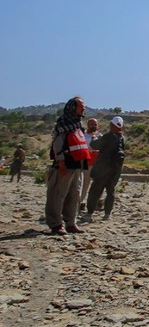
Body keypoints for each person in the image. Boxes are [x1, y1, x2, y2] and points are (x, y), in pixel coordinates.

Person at [45, 96, 91, 235]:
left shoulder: (78, 124)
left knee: (74, 195)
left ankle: (71, 222)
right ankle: (56, 224)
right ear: (72, 108)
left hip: (77, 165)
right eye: (80, 106)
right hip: (64, 164)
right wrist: (61, 162)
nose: (83, 108)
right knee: (58, 195)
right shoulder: (63, 124)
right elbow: (58, 143)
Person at [80, 117, 125, 222]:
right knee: (111, 191)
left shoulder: (107, 137)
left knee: (95, 190)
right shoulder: (122, 138)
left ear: (111, 124)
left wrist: (94, 138)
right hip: (116, 170)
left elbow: (94, 145)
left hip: (103, 169)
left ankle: (89, 214)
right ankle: (107, 214)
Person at [80, 118, 101, 212]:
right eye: (92, 124)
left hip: (97, 163)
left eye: (95, 124)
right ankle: (81, 202)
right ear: (88, 125)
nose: (93, 126)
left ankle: (99, 201)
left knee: (98, 183)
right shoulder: (83, 135)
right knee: (85, 183)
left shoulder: (100, 136)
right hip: (87, 162)